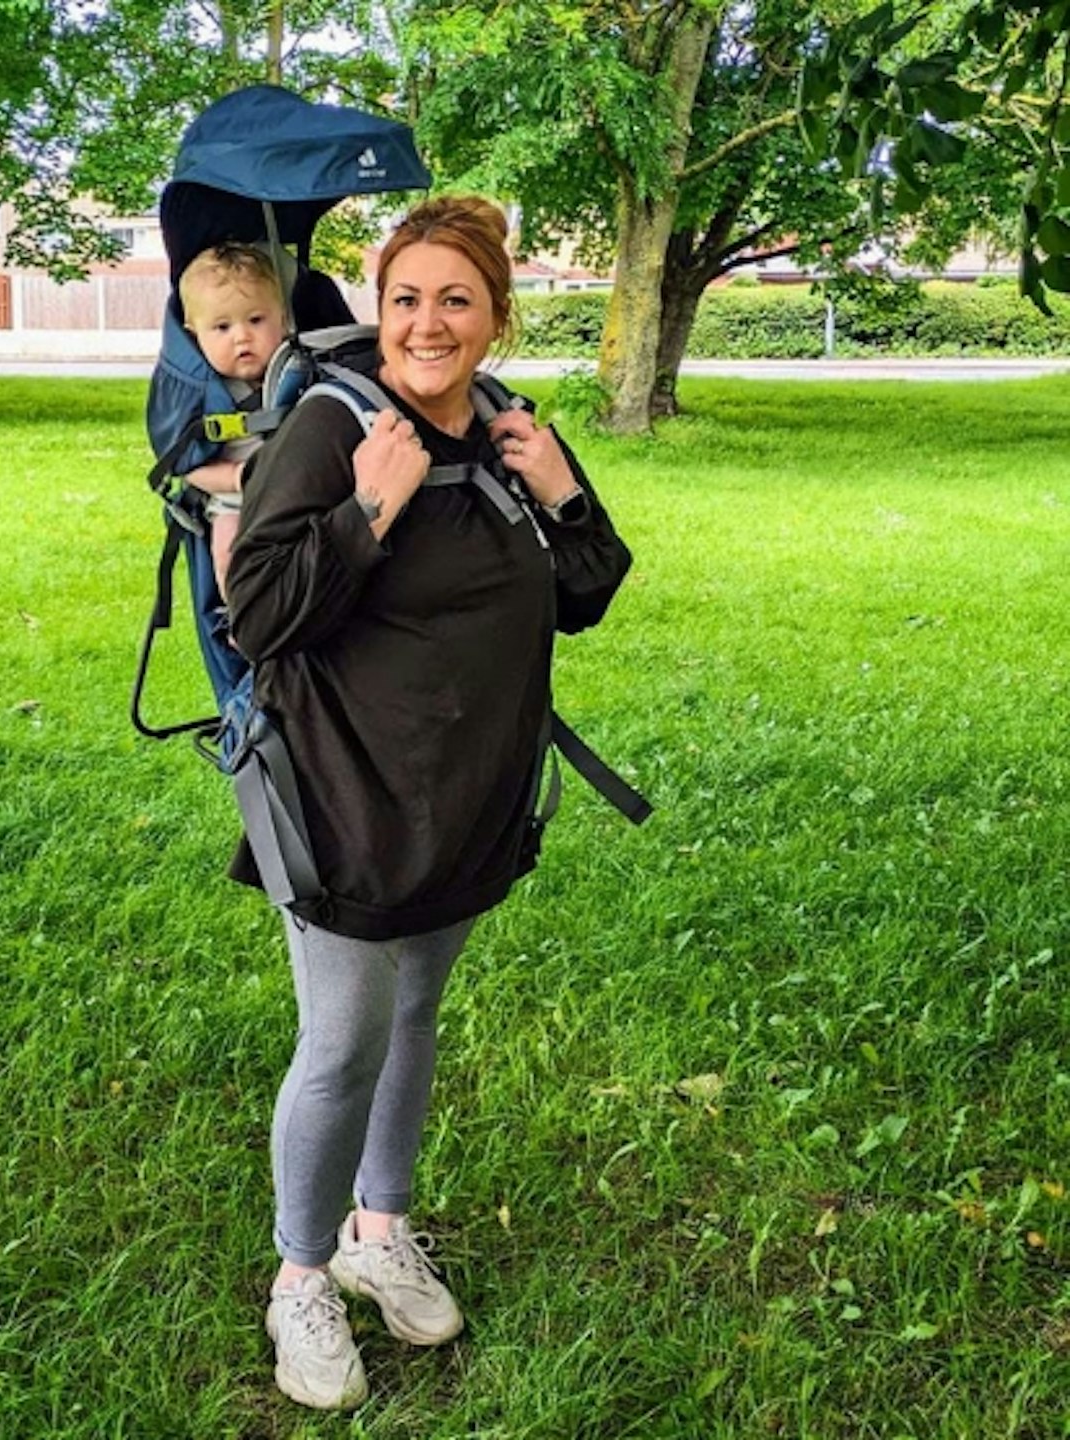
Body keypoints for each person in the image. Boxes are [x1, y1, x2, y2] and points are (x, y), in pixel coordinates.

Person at [223, 195, 634, 1411]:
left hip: (469, 795)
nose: (426, 322)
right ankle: (302, 1275)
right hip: (345, 796)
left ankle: (377, 1230)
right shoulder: (329, 426)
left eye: (456, 299)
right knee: (344, 1037)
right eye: (406, 298)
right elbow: (260, 617)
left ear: (495, 315)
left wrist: (563, 490)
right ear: (379, 309)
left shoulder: (513, 428)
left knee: (415, 1021)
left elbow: (589, 589)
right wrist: (368, 509)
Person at [175, 243, 289, 597]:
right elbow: (188, 467)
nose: (242, 336)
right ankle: (243, 616)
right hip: (233, 497)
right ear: (195, 336)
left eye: (256, 320)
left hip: (298, 492)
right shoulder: (207, 393)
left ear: (283, 317)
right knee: (227, 553)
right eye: (222, 327)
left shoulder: (297, 370)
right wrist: (240, 478)